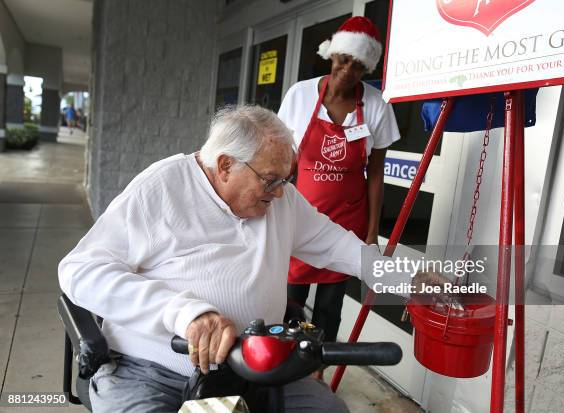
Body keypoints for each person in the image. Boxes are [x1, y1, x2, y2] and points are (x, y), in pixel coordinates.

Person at [58, 105, 445, 413]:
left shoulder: (282, 201)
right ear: (225, 165)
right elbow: (80, 271)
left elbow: (342, 248)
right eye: (270, 180)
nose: (280, 193)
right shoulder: (161, 188)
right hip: (151, 369)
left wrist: (408, 277)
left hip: (256, 367)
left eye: (285, 180)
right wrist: (183, 312)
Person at [277, 16, 401, 365]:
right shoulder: (300, 95)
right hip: (300, 217)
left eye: (359, 66)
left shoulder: (377, 105)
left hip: (349, 220)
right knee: (290, 299)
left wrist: (372, 235)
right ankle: (286, 364)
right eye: (343, 59)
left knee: (330, 307)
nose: (348, 71)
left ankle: (318, 370)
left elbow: (376, 173)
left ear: (367, 68)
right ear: (331, 55)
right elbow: (284, 157)